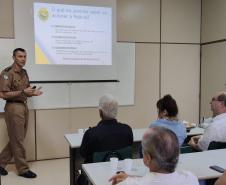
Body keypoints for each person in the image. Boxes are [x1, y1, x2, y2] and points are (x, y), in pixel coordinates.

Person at [0, 48, 43, 178]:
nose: (23, 59)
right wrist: (23, 93)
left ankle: (0, 163)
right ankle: (23, 169)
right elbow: (2, 94)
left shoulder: (24, 72)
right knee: (18, 139)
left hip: (24, 106)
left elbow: (26, 91)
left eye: (24, 56)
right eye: (20, 56)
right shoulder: (7, 73)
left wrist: (33, 93)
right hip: (13, 108)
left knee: (17, 138)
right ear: (14, 58)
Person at [109, 126, 199, 185]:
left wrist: (129, 180)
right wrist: (131, 178)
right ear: (178, 154)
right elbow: (162, 179)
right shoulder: (191, 178)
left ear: (147, 158)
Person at [80, 94, 133, 163]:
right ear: (116, 111)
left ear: (100, 112)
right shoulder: (127, 130)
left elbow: (83, 154)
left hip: (95, 172)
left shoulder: (91, 133)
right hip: (121, 171)